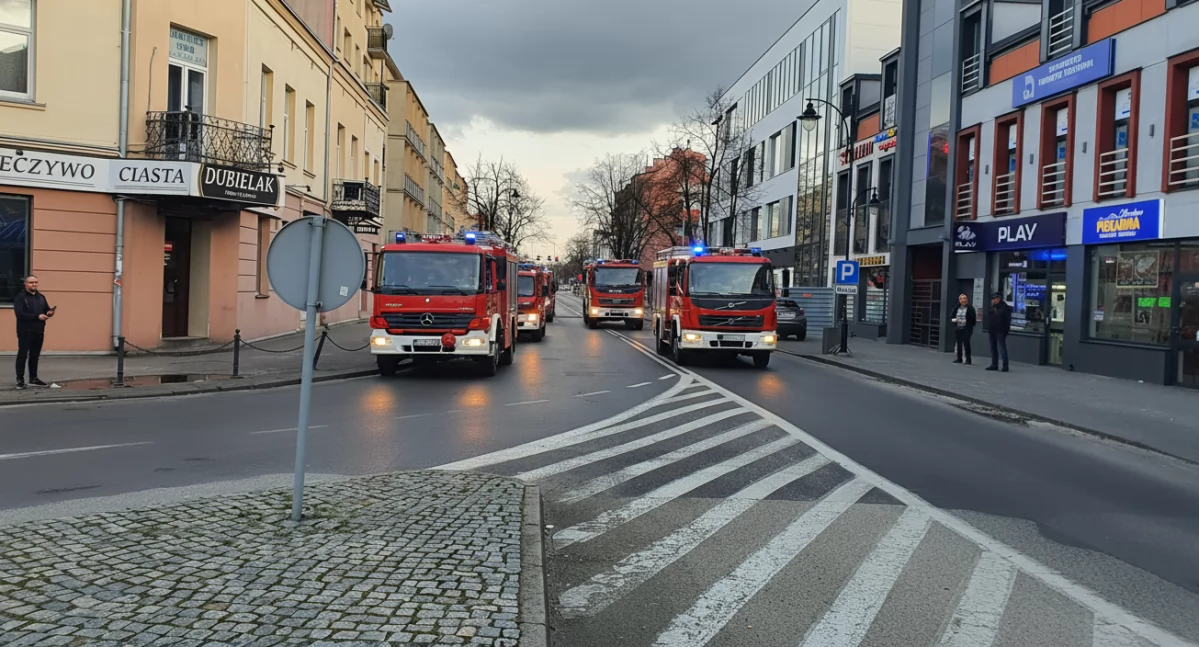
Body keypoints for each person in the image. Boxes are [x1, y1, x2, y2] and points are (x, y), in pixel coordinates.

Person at [13, 275, 54, 389]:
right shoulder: (20, 297)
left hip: (39, 330)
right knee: (22, 355)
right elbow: (20, 314)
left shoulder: (40, 297)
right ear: (25, 284)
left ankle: (33, 378)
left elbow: (46, 309)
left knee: (35, 355)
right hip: (25, 330)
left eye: (36, 282)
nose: (34, 284)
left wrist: (49, 312)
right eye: (31, 282)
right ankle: (20, 379)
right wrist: (37, 316)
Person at [986, 291, 1012, 372]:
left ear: (999, 299)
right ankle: (994, 364)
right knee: (993, 348)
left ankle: (1005, 365)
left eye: (995, 299)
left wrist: (1005, 330)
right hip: (992, 330)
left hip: (1001, 330)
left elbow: (1008, 320)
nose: (993, 301)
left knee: (1002, 348)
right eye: (993, 299)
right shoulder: (992, 308)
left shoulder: (1004, 308)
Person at [951, 293, 976, 365]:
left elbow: (973, 320)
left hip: (967, 329)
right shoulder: (956, 308)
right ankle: (959, 358)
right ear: (959, 300)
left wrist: (968, 323)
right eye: (961, 299)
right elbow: (952, 316)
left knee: (966, 343)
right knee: (959, 344)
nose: (963, 300)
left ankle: (968, 359)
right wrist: (954, 321)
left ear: (967, 300)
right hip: (958, 328)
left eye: (964, 298)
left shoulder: (970, 308)